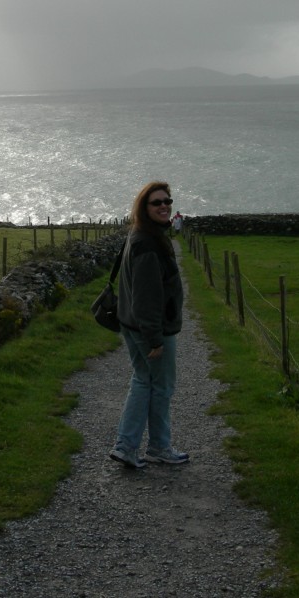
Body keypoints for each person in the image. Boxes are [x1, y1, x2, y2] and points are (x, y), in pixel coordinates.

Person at [109, 181, 189, 468]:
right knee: (160, 386)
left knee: (144, 380)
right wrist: (155, 338)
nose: (164, 206)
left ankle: (130, 446)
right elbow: (146, 296)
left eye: (167, 201)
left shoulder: (141, 235)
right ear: (144, 207)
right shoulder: (148, 243)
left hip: (132, 324)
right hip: (150, 329)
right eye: (157, 202)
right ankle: (150, 447)